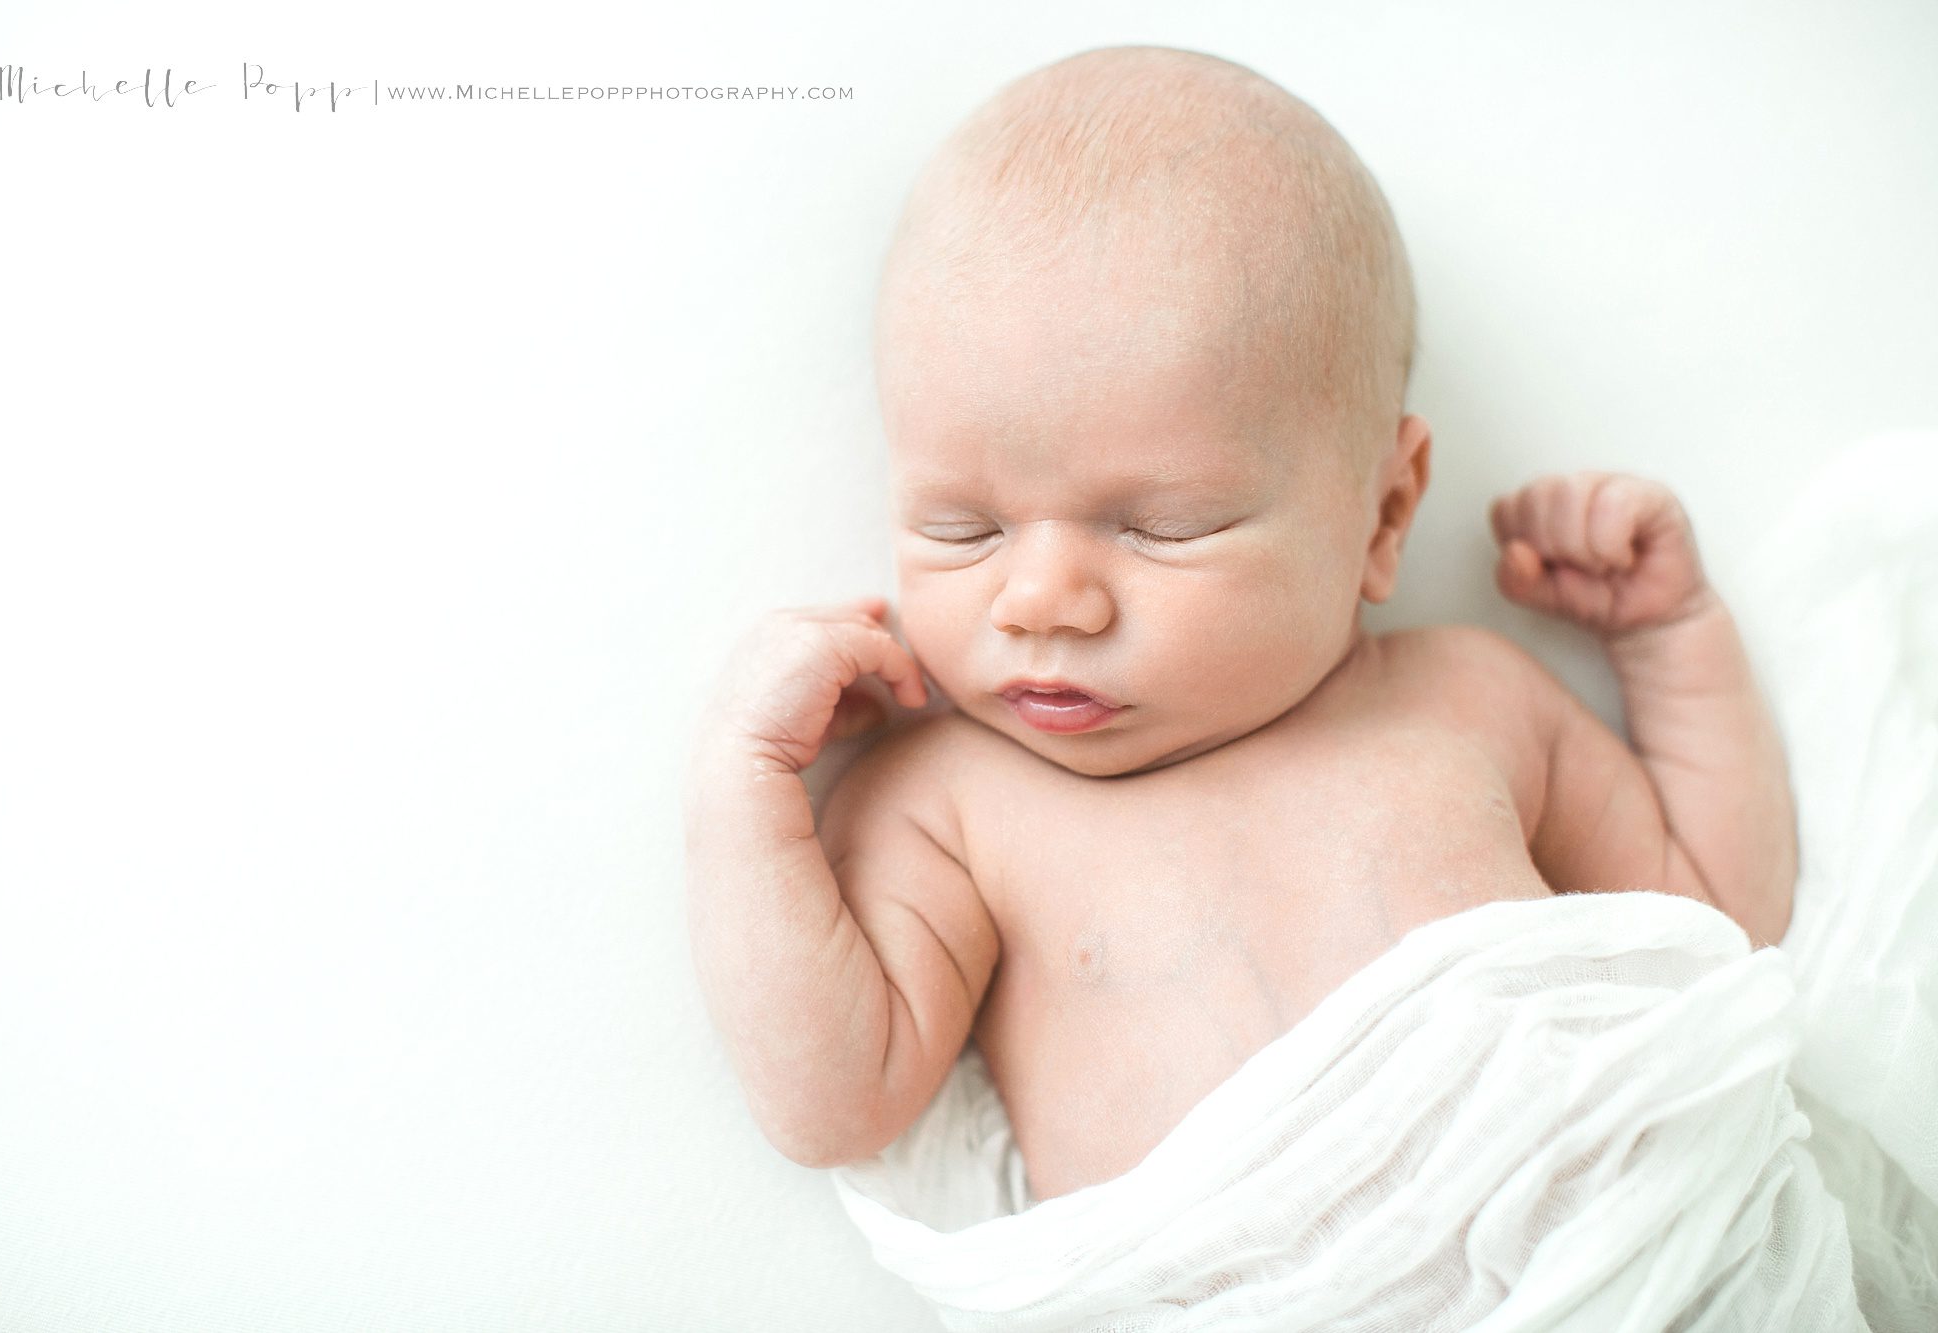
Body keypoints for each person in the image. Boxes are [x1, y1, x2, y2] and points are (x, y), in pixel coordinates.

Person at [681, 44, 1796, 1204]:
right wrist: (742, 791)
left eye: (1160, 526)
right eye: (963, 529)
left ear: (1384, 510)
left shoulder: (1468, 699)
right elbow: (833, 1101)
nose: (1040, 601)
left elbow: (1715, 929)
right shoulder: (953, 806)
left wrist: (1671, 642)